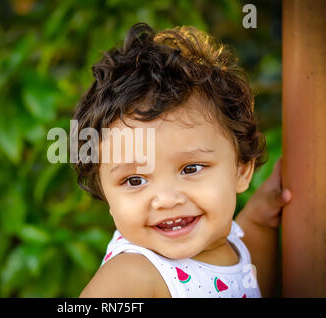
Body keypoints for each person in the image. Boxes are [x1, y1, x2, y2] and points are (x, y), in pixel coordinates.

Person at [72, 23, 291, 297]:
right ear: (106, 195)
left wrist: (260, 219)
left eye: (190, 168)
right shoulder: (133, 275)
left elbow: (251, 283)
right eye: (135, 180)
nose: (166, 199)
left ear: (242, 168)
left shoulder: (228, 242)